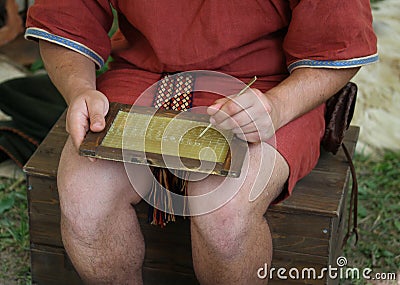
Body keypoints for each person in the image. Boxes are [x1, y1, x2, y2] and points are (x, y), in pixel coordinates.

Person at [25, 1, 377, 284]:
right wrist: (81, 89)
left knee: (223, 213)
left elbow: (337, 40)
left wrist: (278, 107)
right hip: (146, 73)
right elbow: (66, 17)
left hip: (267, 87)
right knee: (85, 198)